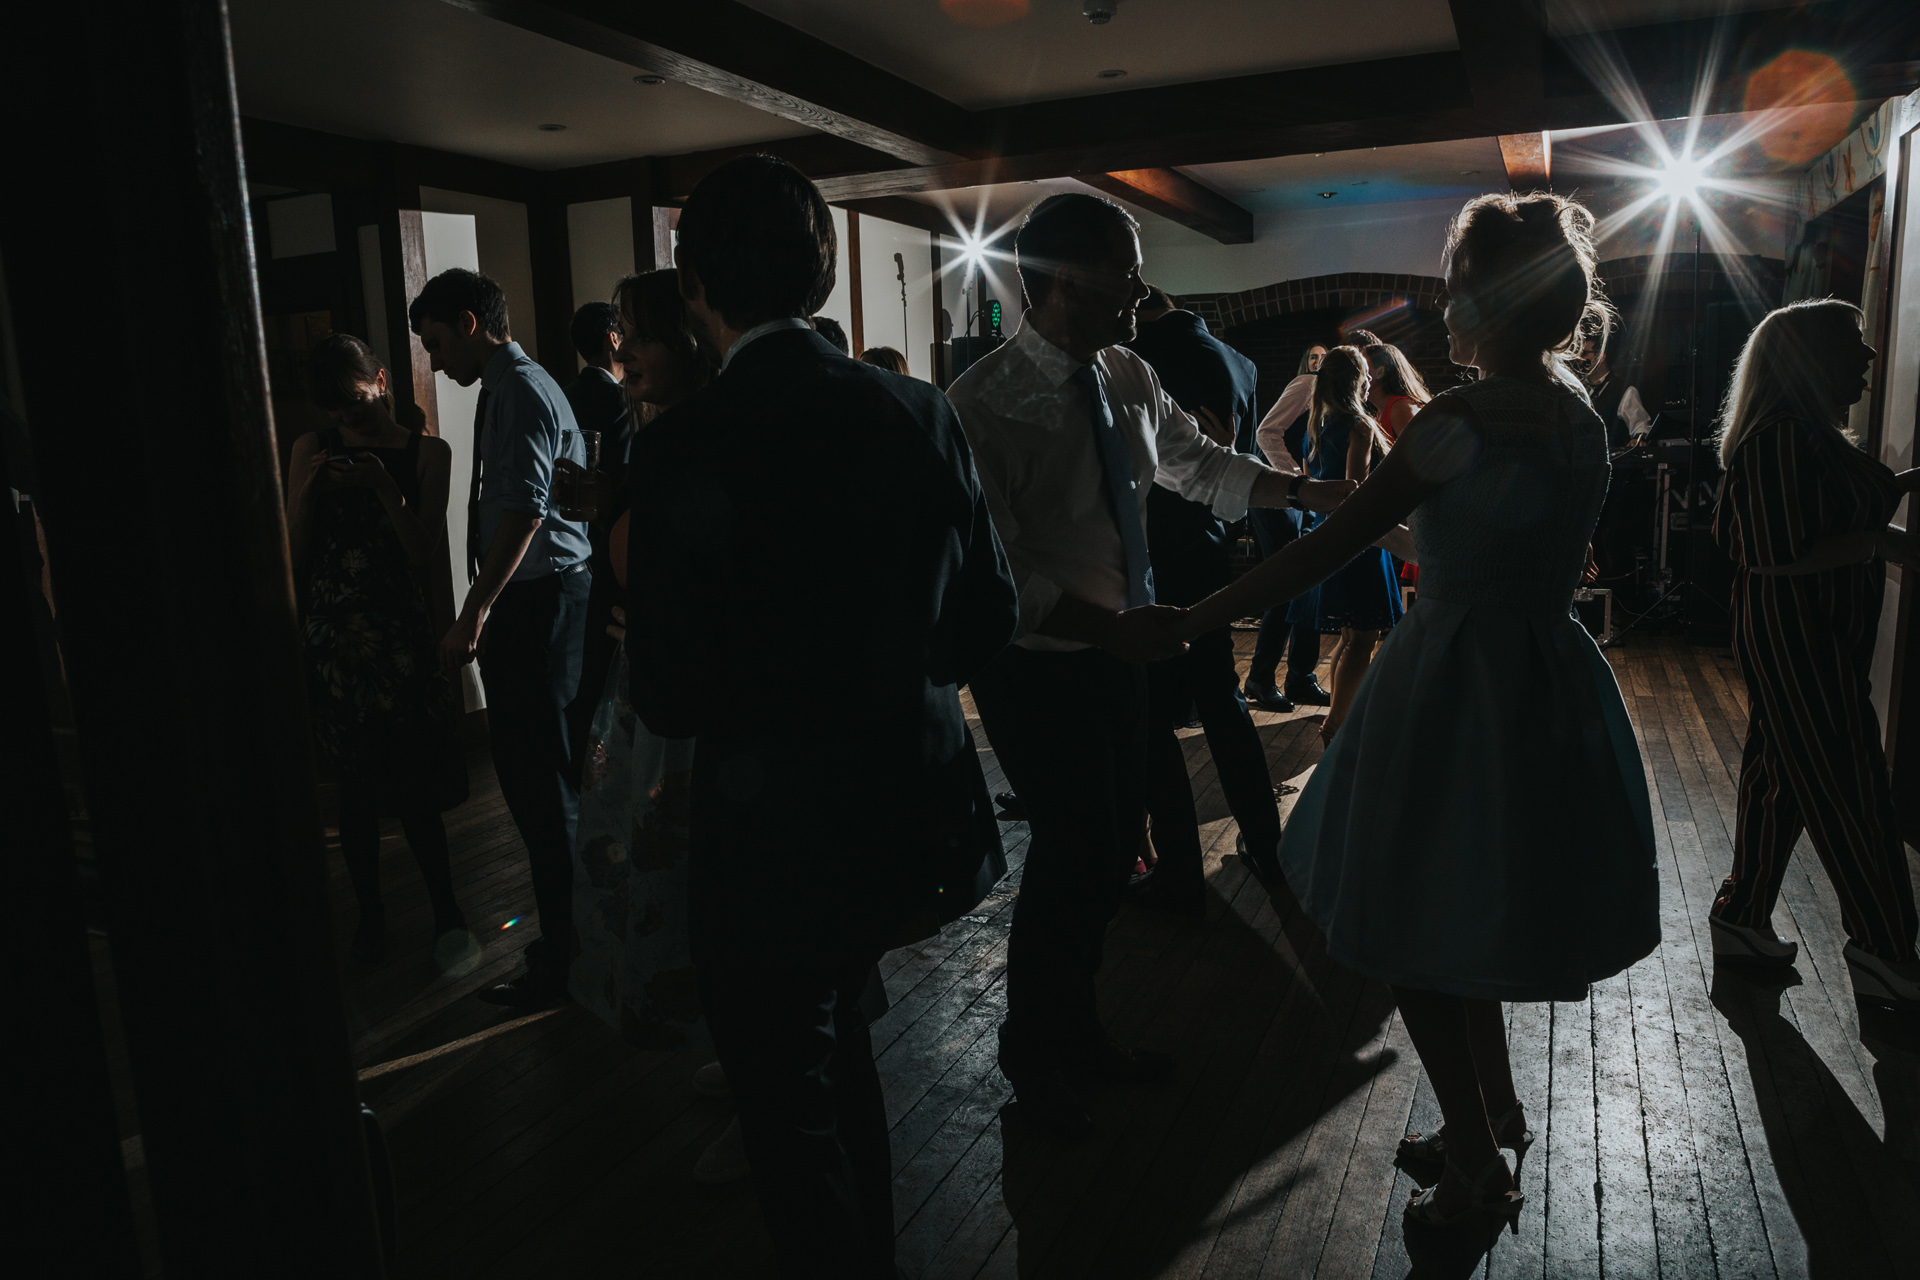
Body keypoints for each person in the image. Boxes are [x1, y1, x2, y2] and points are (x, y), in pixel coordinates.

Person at [1176, 191, 1660, 1235]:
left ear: (1482, 299)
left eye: (1454, 288)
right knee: (1470, 899)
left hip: (1452, 676)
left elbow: (1329, 543)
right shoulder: (1578, 413)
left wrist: (1203, 610)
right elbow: (1510, 542)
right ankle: (1495, 1109)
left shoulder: (1459, 418)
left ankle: (1479, 1165)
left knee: (1409, 916)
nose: (1444, 307)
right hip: (1548, 678)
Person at [626, 154, 1017, 1280]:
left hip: (768, 824)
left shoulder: (681, 446)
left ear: (693, 283)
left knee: (782, 1102)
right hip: (906, 800)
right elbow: (986, 613)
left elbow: (671, 691)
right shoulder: (916, 408)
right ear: (821, 270)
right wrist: (890, 677)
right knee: (838, 1046)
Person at [949, 192, 1353, 1140]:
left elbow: (1199, 465)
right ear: (1055, 283)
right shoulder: (980, 405)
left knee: (1102, 856)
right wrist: (1108, 630)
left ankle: (1078, 1032)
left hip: (1123, 650)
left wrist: (1307, 491)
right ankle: (1035, 1058)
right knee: (1071, 855)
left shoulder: (1128, 371)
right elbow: (997, 566)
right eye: (1121, 276)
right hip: (1038, 663)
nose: (1141, 292)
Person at [1706, 298, 1920, 1010]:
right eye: (1852, 345)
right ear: (1809, 360)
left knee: (1782, 778)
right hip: (1798, 635)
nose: (1865, 359)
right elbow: (1768, 553)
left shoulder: (1801, 435)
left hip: (1806, 634)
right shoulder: (1780, 437)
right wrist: (1881, 545)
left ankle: (1742, 918)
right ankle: (1885, 948)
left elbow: (1838, 503)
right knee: (1849, 783)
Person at [410, 267, 593, 1010]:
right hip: (548, 597)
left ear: (469, 322)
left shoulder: (515, 390)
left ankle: (566, 958)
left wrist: (475, 610)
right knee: (544, 778)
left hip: (536, 602)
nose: (434, 359)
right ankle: (572, 947)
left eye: (436, 341)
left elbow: (521, 512)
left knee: (537, 784)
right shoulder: (523, 383)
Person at [286, 334, 470, 964]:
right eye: (336, 412)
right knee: (356, 796)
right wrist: (310, 492)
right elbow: (294, 554)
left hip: (399, 637)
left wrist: (382, 490)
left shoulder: (428, 452)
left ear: (383, 382)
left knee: (416, 786)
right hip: (333, 640)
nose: (346, 420)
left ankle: (447, 908)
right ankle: (371, 921)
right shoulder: (312, 448)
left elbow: (424, 556)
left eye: (356, 405)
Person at [1122, 284, 1283, 911]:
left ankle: (1180, 871)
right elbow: (1233, 457)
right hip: (1210, 547)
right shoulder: (1235, 359)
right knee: (1224, 701)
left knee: (1156, 719)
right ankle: (1268, 845)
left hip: (1153, 553)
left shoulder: (1136, 360)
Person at [1291, 346, 1403, 741]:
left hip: (1324, 535)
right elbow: (1354, 491)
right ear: (1358, 380)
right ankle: (1337, 723)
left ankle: (1342, 713)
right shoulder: (1361, 425)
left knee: (1349, 636)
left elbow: (1313, 481)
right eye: (1367, 373)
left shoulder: (1315, 425)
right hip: (1359, 541)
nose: (1372, 378)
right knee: (1364, 637)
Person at [562, 301, 632, 783]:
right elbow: (623, 476)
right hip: (612, 542)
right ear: (613, 339)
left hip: (572, 544)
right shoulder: (620, 401)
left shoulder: (565, 395)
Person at [1246, 343, 1332, 711]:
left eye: (1324, 357)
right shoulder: (1306, 384)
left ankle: (1300, 678)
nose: (1319, 363)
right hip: (1278, 497)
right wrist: (1296, 481)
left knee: (1309, 587)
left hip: (1303, 500)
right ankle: (1260, 679)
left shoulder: (1331, 394)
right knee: (1285, 588)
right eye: (1313, 357)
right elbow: (1266, 432)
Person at [1363, 341, 1431, 443]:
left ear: (1380, 372)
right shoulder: (1381, 411)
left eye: (1362, 364)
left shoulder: (1400, 409)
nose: (1356, 369)